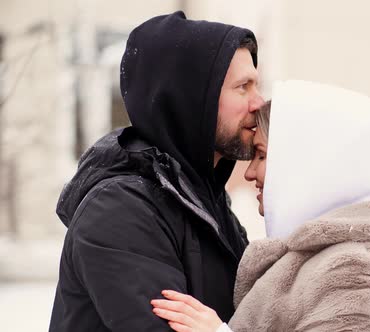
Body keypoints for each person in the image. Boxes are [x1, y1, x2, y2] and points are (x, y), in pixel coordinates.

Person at [150, 80, 370, 331]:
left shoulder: (352, 269)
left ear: (305, 164)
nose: (249, 173)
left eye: (261, 155)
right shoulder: (317, 261)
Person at [49, 11, 264, 331]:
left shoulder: (203, 202)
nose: (258, 102)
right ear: (194, 99)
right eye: (242, 87)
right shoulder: (121, 210)